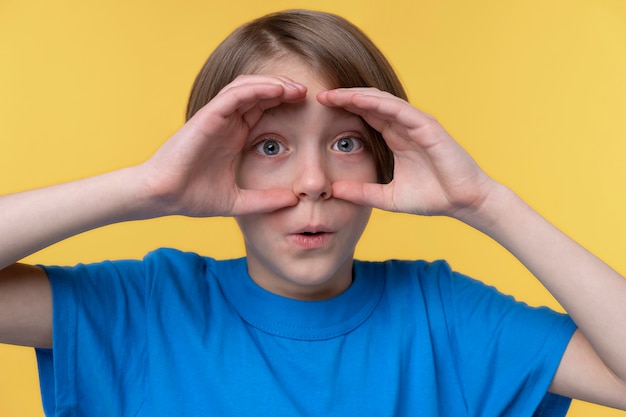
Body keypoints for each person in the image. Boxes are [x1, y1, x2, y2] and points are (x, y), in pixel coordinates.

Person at [1, 9, 625, 416]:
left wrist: (486, 202)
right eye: (269, 147)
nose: (313, 182)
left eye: (345, 144)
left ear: (385, 156)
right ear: (219, 163)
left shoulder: (446, 317)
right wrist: (148, 186)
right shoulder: (141, 309)